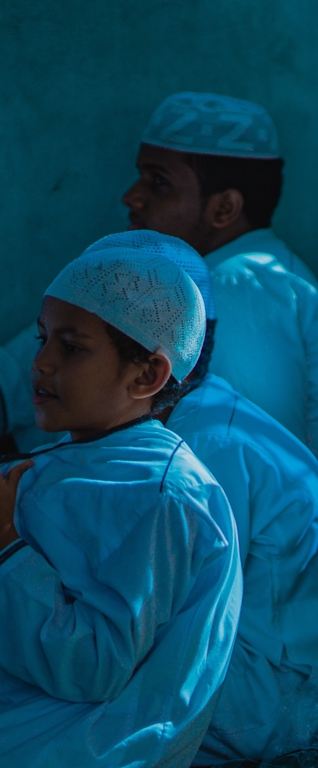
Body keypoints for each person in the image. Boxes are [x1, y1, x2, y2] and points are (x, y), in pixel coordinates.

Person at [0, 92, 318, 639]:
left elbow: (218, 480)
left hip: (275, 636)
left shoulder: (236, 288)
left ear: (224, 209)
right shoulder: (206, 282)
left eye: (158, 182)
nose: (132, 197)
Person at [92, 231, 318, 763]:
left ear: (150, 365)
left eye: (74, 347)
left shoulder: (202, 450)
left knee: (75, 661)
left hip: (279, 699)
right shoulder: (187, 413)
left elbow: (151, 605)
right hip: (263, 666)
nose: (44, 366)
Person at [0, 240, 242, 766]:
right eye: (43, 339)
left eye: (72, 347)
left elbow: (92, 665)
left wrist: (7, 552)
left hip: (72, 742)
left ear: (146, 375)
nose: (39, 363)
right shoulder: (86, 454)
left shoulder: (165, 496)